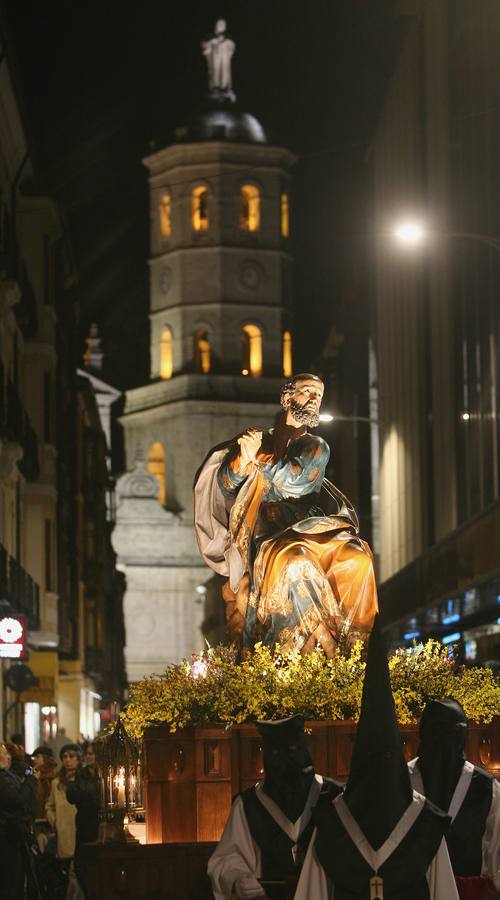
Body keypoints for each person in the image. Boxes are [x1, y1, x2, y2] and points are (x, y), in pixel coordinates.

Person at [194, 374, 378, 656]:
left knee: (359, 559)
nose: (315, 397)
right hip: (270, 532)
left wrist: (255, 458)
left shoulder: (316, 446)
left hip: (312, 526)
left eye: (319, 393)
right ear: (288, 398)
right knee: (294, 561)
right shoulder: (259, 441)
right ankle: (307, 648)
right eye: (307, 391)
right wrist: (242, 460)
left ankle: (356, 649)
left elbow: (296, 481)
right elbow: (228, 483)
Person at [294, 617, 460, 900]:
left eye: (386, 757)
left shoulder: (425, 824)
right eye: (374, 758)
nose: (379, 768)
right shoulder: (331, 824)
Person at [208, 715, 343, 900]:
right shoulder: (248, 806)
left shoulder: (334, 798)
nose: (285, 763)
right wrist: (238, 879)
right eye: (275, 755)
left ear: (304, 751)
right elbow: (226, 859)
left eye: (292, 750)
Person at [408, 698, 500, 897]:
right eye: (437, 733)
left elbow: (495, 852)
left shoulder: (486, 788)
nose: (443, 743)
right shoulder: (401, 782)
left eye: (449, 734)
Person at [46, 743, 85, 900]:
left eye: (71, 757)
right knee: (68, 873)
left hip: (81, 830)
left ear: (78, 759)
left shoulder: (84, 780)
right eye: (64, 757)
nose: (67, 760)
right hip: (64, 833)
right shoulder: (57, 783)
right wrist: (55, 821)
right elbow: (49, 806)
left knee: (78, 874)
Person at [67, 741, 100, 897]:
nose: (88, 757)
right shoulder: (82, 773)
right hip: (84, 825)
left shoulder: (104, 773)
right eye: (87, 754)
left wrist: (86, 791)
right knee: (81, 866)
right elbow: (72, 795)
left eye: (91, 753)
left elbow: (97, 797)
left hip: (98, 825)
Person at [0, 741, 29, 900]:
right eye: (5, 753)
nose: (8, 757)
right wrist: (30, 783)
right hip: (6, 837)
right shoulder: (3, 779)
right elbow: (17, 799)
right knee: (9, 883)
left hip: (12, 834)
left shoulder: (7, 775)